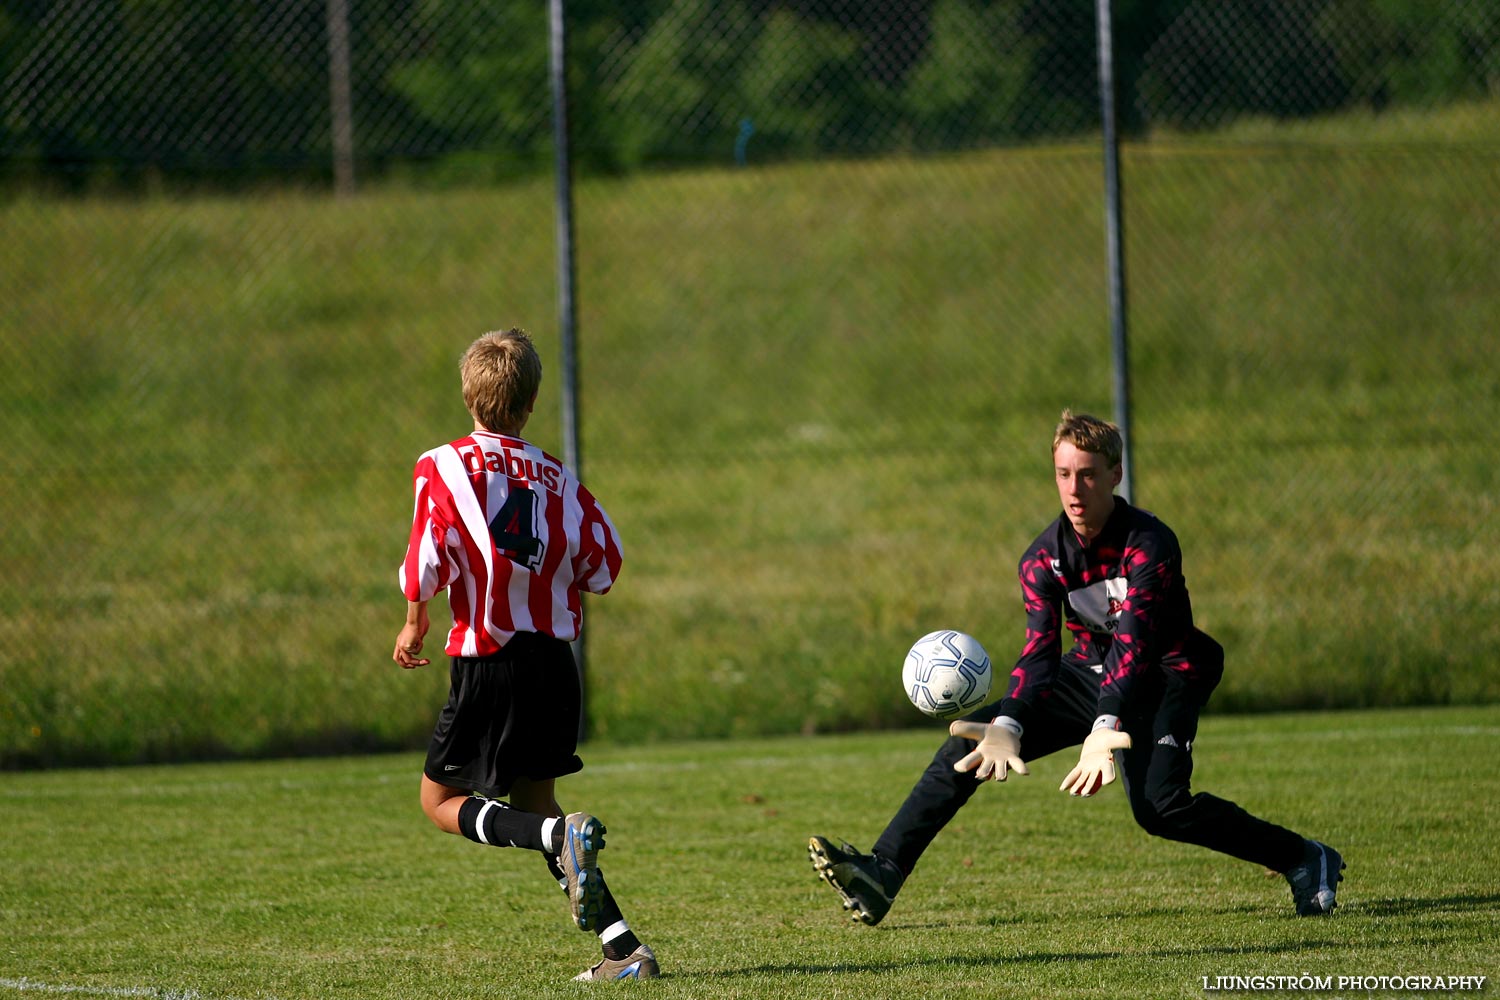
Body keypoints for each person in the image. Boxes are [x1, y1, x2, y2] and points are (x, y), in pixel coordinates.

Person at [809, 409, 1344, 925]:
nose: (1074, 489)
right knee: (967, 748)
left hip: (1168, 674)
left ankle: (1303, 856)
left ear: (1115, 474)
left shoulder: (1149, 543)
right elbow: (1039, 653)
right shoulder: (1041, 559)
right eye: (1063, 474)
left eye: (1088, 475)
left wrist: (1105, 725)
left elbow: (1135, 644)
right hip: (1090, 672)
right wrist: (1010, 723)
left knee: (1160, 809)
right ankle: (882, 872)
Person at [393, 328, 658, 981]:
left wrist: (413, 619)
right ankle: (625, 954)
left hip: (491, 657)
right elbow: (605, 562)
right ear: (532, 401)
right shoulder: (559, 477)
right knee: (539, 802)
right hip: (553, 665)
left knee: (439, 801)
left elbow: (428, 554)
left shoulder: (445, 464)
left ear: (468, 394)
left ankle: (554, 841)